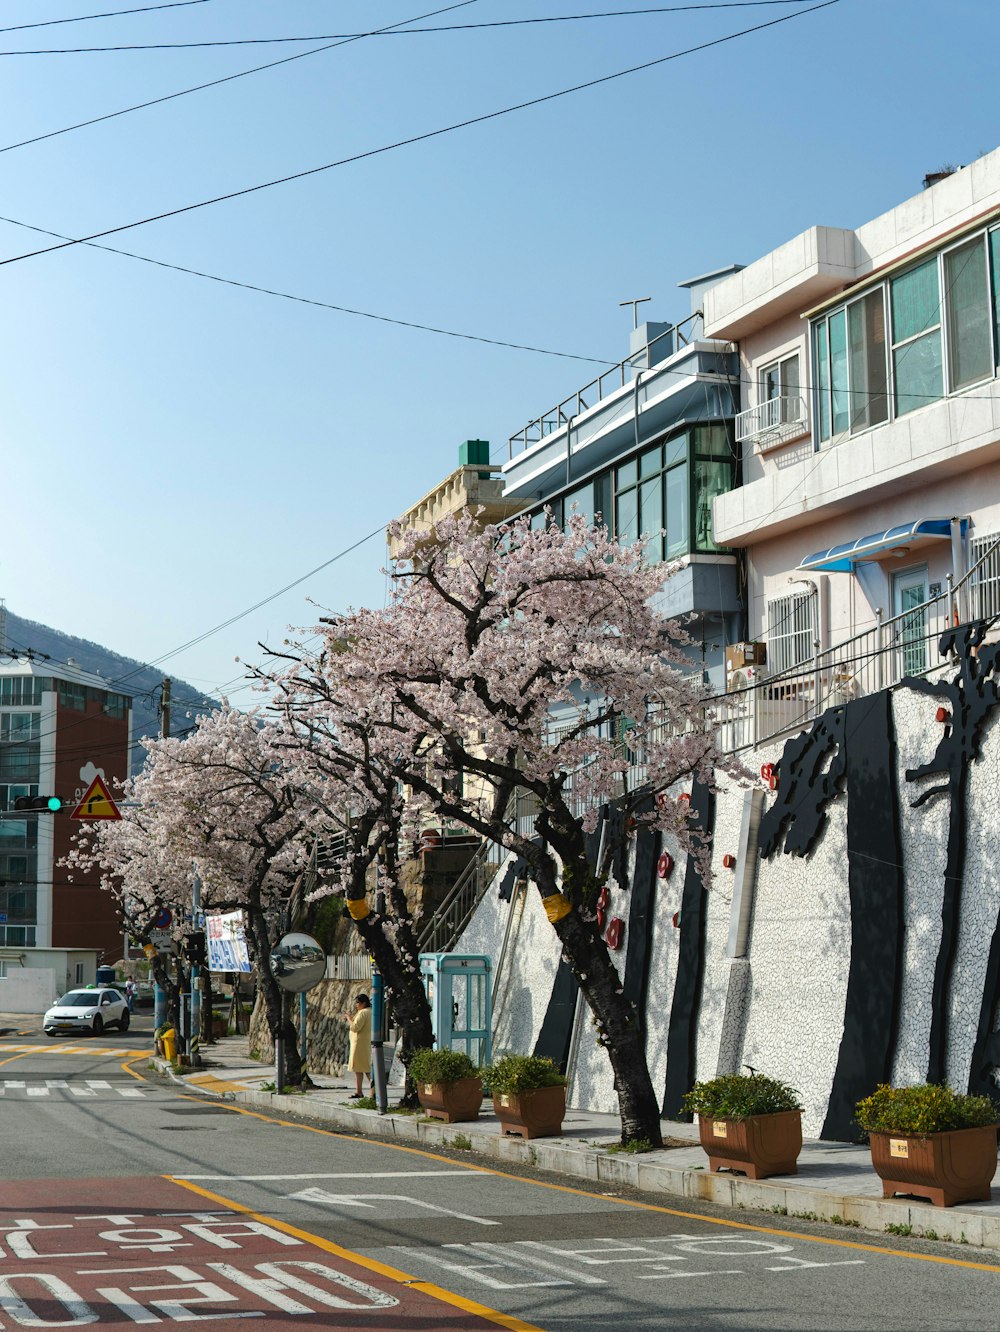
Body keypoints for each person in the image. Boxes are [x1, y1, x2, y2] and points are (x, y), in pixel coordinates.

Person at [344, 993, 372, 1098]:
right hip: (363, 1042)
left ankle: (374, 1090)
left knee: (364, 1068)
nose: (356, 1005)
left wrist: (348, 1018)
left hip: (359, 1043)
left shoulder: (363, 1013)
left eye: (358, 1003)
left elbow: (355, 1027)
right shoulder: (369, 1012)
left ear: (364, 1003)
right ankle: (359, 1091)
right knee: (360, 1068)